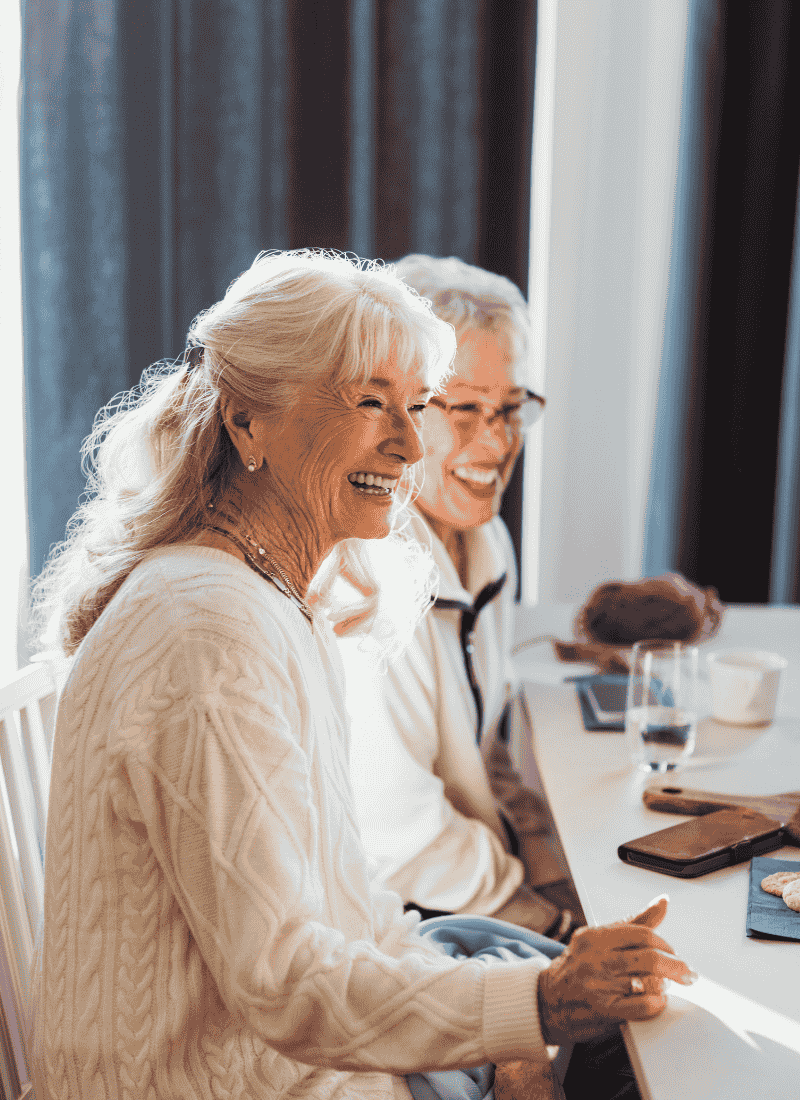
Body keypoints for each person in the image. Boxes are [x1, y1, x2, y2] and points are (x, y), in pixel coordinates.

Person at [30, 250, 695, 1100]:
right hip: (239, 1082)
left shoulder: (277, 598)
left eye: (416, 406)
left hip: (298, 1057)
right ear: (247, 423)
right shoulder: (209, 630)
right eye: (370, 402)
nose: (411, 442)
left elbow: (351, 905)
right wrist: (542, 1003)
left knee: (635, 1033)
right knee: (642, 1062)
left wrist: (525, 1016)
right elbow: (285, 979)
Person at [341, 254, 582, 939]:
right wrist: (553, 923)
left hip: (466, 896)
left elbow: (483, 753)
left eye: (510, 409)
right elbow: (404, 837)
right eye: (468, 409)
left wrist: (546, 864)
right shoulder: (370, 576)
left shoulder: (485, 544)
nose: (499, 441)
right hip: (388, 926)